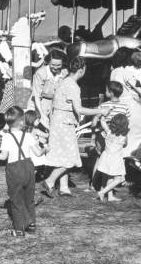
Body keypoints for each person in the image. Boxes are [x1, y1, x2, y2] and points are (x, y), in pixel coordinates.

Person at [41, 57, 109, 197]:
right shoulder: (73, 86)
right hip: (64, 123)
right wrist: (100, 111)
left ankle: (64, 187)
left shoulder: (64, 81)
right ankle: (50, 181)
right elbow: (79, 110)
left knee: (62, 155)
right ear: (81, 70)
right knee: (71, 157)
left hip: (58, 121)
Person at [0, 107, 46, 237]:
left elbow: (3, 157)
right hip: (29, 167)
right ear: (21, 122)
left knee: (16, 199)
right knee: (29, 198)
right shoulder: (29, 136)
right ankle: (31, 224)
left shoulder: (7, 137)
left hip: (14, 169)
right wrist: (46, 149)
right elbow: (38, 153)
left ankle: (19, 229)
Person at [110, 48, 141, 168]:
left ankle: (119, 169)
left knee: (123, 136)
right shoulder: (127, 73)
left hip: (117, 104)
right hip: (131, 105)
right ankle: (136, 158)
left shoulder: (114, 72)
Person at [28, 49, 66, 129]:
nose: (55, 68)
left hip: (54, 103)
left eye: (58, 65)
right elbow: (37, 96)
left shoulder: (64, 73)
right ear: (48, 62)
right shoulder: (40, 73)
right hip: (40, 102)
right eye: (53, 65)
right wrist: (41, 114)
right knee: (39, 128)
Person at [95, 114, 129, 202]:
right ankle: (102, 192)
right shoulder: (124, 136)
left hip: (106, 157)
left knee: (110, 177)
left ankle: (110, 197)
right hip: (115, 159)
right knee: (119, 179)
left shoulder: (108, 132)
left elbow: (102, 122)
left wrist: (103, 115)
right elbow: (125, 145)